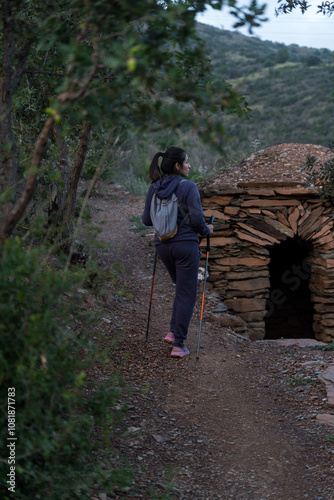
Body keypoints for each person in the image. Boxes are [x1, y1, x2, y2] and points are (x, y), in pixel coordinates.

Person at [142, 146, 213, 358]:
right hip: (185, 246)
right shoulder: (188, 186)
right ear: (177, 165)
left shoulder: (154, 188)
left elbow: (146, 220)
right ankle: (179, 345)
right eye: (187, 162)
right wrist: (207, 230)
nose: (189, 165)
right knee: (186, 292)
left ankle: (173, 333)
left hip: (162, 245)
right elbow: (198, 220)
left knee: (181, 289)